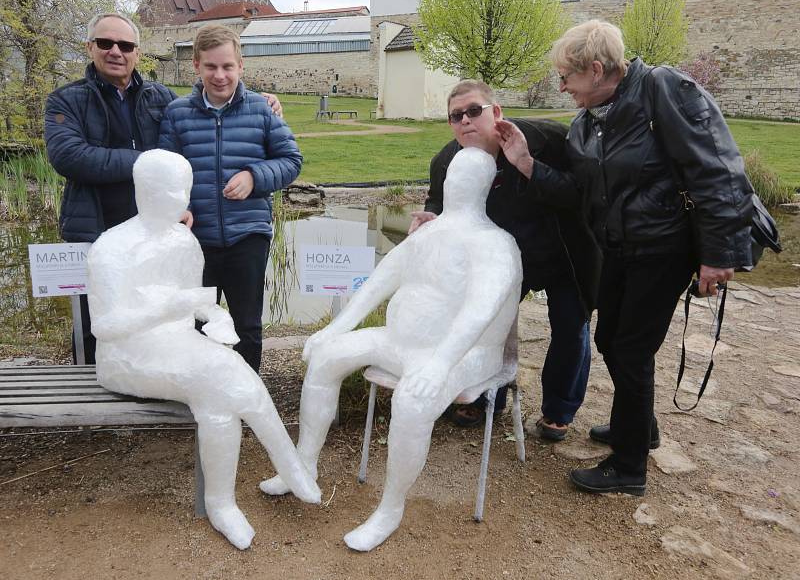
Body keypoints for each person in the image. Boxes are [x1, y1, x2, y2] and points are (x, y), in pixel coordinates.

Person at [509, 19, 753, 494]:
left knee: (632, 349)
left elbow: (717, 169)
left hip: (663, 246)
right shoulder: (589, 122)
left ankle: (628, 467)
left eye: (567, 77)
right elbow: (580, 192)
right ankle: (638, 427)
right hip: (619, 247)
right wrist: (527, 165)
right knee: (608, 339)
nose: (562, 88)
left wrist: (720, 252)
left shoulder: (665, 90)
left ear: (596, 69)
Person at [261, 147, 523, 551]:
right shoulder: (429, 233)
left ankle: (390, 508)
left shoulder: (495, 244)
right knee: (327, 357)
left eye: (466, 177)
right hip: (401, 342)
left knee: (412, 401)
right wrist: (333, 328)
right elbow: (379, 282)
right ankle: (303, 465)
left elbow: (480, 312)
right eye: (453, 174)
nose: (456, 183)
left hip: (465, 353)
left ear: (489, 185)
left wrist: (440, 363)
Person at [88, 149, 320, 550]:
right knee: (218, 377)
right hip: (126, 355)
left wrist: (217, 317)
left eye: (185, 190)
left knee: (226, 379)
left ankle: (235, 494)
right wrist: (162, 309)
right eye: (168, 191)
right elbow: (104, 327)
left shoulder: (183, 241)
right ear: (142, 191)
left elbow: (197, 302)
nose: (179, 200)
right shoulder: (112, 248)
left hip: (177, 344)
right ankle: (268, 478)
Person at [44, 12, 282, 364]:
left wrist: (261, 102)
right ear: (90, 47)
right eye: (106, 43)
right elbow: (71, 157)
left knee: (160, 319)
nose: (115, 51)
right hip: (96, 227)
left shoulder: (161, 98)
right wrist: (148, 162)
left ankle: (157, 386)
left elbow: (200, 117)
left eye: (125, 45)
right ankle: (96, 402)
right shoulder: (67, 100)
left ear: (137, 52)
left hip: (154, 232)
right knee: (99, 321)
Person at [411, 80, 600, 439]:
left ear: (495, 112)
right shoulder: (446, 161)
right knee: (488, 324)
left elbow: (580, 194)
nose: (465, 120)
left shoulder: (549, 140)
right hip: (503, 258)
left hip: (564, 250)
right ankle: (486, 398)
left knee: (570, 326)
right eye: (456, 116)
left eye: (473, 111)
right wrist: (431, 217)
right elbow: (439, 201)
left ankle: (558, 410)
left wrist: (527, 164)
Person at [158, 24, 301, 373]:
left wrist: (255, 176)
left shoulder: (261, 109)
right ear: (196, 66)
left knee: (246, 324)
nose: (220, 75)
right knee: (198, 323)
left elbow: (291, 161)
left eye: (227, 66)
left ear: (240, 66)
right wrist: (181, 209)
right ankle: (202, 391)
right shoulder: (178, 114)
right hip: (196, 240)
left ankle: (245, 393)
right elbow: (166, 172)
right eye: (211, 67)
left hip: (247, 236)